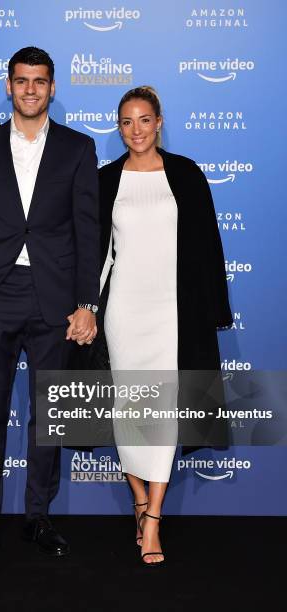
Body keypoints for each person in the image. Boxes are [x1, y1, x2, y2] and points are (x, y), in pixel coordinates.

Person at [0, 47, 100, 563]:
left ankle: (38, 517)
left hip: (56, 301)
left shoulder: (78, 148)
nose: (30, 89)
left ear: (53, 88)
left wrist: (85, 304)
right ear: (8, 87)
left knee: (49, 418)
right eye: (21, 81)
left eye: (40, 81)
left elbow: (87, 231)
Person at [96, 86, 232, 566]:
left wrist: (215, 308)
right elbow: (99, 254)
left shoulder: (187, 174)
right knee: (129, 411)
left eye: (145, 120)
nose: (136, 130)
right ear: (119, 127)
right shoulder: (104, 179)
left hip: (173, 312)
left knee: (165, 412)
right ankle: (139, 500)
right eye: (127, 122)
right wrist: (86, 308)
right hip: (125, 311)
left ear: (159, 121)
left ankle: (152, 517)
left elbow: (208, 244)